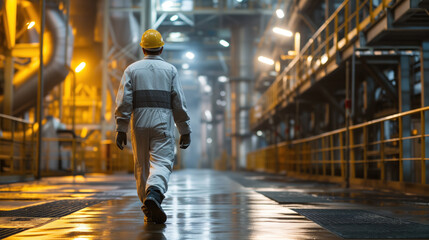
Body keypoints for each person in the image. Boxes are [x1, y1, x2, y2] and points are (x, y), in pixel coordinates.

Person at [114, 29, 191, 224]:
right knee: (162, 162)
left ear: (142, 49)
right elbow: (178, 103)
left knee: (141, 166)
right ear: (162, 48)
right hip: (162, 123)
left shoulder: (131, 70)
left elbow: (124, 102)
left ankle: (147, 206)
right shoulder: (171, 70)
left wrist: (121, 128)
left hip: (138, 123)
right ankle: (154, 195)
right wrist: (184, 130)